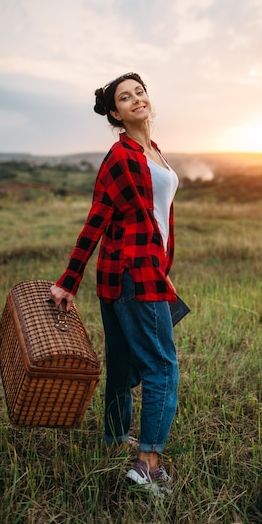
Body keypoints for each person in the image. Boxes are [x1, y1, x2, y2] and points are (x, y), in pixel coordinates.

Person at [50, 72, 180, 497]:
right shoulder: (121, 156)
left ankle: (112, 439)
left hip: (138, 271)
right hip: (132, 272)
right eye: (125, 97)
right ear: (115, 112)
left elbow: (156, 217)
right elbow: (96, 221)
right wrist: (69, 281)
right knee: (162, 367)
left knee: (123, 364)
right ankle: (147, 465)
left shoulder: (153, 151)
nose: (136, 99)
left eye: (139, 91)